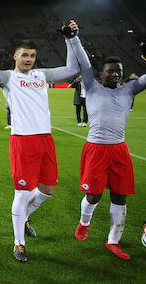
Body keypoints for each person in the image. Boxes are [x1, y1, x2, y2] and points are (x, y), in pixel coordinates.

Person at [0, 22, 80, 262]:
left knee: (47, 190)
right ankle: (19, 242)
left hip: (45, 139)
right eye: (24, 55)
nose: (28, 59)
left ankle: (24, 216)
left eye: (32, 55)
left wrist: (70, 39)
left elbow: (72, 68)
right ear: (15, 56)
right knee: (21, 192)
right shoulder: (8, 77)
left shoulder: (42, 75)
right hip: (22, 140)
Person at [67, 22, 145, 260]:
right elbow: (83, 62)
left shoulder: (129, 90)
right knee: (94, 195)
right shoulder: (91, 87)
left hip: (119, 149)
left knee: (120, 196)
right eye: (111, 70)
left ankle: (113, 241)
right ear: (101, 74)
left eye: (119, 71)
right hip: (96, 149)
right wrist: (75, 38)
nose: (115, 74)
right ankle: (84, 223)